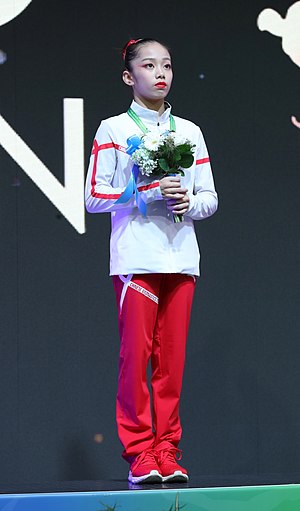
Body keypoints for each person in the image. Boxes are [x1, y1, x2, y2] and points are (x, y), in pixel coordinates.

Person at [85, 38, 218, 484]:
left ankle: (168, 450)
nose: (159, 73)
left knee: (171, 364)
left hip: (181, 258)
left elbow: (210, 199)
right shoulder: (112, 130)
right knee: (135, 360)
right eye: (148, 65)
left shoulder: (190, 132)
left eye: (166, 65)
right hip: (136, 258)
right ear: (129, 76)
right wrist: (142, 194)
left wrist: (186, 201)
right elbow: (92, 196)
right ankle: (140, 453)